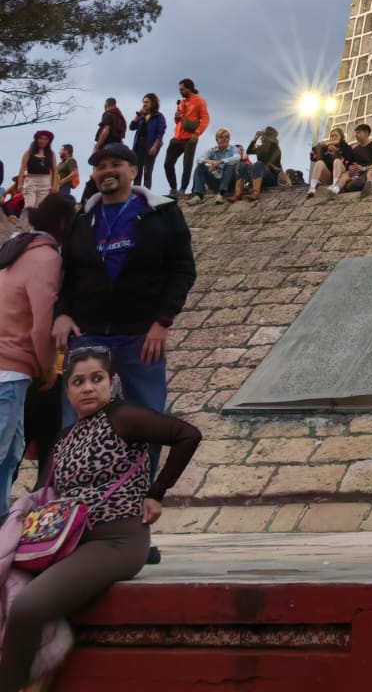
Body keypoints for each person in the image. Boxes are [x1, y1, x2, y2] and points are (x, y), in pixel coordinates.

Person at [0, 345, 202, 692]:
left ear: (113, 382)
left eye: (97, 379)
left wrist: (156, 492)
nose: (87, 388)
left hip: (116, 540)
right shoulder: (66, 438)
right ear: (68, 391)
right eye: (78, 382)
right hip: (68, 541)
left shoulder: (120, 417)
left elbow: (187, 435)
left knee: (28, 606)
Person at [52, 143, 197, 486]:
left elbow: (182, 270)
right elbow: (66, 276)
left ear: (133, 170)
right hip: (87, 339)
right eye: (100, 167)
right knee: (73, 427)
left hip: (141, 338)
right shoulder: (82, 220)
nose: (107, 171)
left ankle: (135, 517)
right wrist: (61, 314)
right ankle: (72, 517)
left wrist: (163, 322)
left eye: (116, 164)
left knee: (148, 424)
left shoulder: (162, 214)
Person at [0, 194, 75, 519]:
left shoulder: (15, 251)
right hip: (11, 366)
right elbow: (41, 324)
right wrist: (46, 369)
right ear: (64, 224)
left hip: (10, 366)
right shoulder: (46, 258)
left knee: (11, 453)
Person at [163, 79, 209, 197]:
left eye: (182, 89)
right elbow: (177, 120)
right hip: (177, 137)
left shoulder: (200, 101)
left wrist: (197, 133)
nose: (180, 91)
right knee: (168, 163)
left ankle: (182, 189)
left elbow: (205, 119)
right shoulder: (181, 102)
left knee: (186, 165)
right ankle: (173, 188)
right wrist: (176, 117)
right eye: (179, 89)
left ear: (189, 88)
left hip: (190, 138)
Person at [185, 128, 243, 204]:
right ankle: (198, 196)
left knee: (229, 165)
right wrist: (210, 162)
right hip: (216, 179)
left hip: (230, 180)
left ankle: (220, 194)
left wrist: (220, 162)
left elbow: (237, 158)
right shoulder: (213, 150)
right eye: (222, 137)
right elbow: (199, 159)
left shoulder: (233, 149)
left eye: (227, 137)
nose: (224, 139)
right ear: (217, 140)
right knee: (200, 166)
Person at [330, 124, 372, 195]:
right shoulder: (355, 150)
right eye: (355, 133)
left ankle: (369, 184)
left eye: (358, 132)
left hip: (370, 170)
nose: (356, 135)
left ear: (366, 133)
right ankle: (336, 190)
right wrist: (352, 168)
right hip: (358, 173)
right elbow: (350, 164)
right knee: (345, 175)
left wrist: (364, 168)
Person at [129, 94, 166, 189]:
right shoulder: (142, 117)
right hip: (138, 147)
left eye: (146, 102)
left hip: (150, 146)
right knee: (137, 171)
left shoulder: (159, 117)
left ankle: (146, 194)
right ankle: (136, 194)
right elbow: (132, 127)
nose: (144, 104)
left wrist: (155, 146)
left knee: (147, 171)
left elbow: (160, 133)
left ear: (153, 103)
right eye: (143, 102)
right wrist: (138, 114)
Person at [16, 132, 56, 214]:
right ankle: (23, 226)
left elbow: (55, 171)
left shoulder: (51, 154)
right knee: (29, 207)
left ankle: (35, 226)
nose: (42, 141)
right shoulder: (29, 153)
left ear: (49, 141)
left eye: (45, 139)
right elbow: (22, 169)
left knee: (40, 209)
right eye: (41, 138)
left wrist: (53, 186)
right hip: (31, 181)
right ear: (36, 139)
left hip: (45, 183)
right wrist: (20, 184)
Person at [306, 128, 352, 198]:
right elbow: (313, 157)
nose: (333, 137)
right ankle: (312, 188)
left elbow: (346, 162)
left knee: (337, 161)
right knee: (319, 163)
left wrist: (336, 153)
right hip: (328, 176)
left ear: (341, 137)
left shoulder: (346, 147)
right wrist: (319, 146)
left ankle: (335, 185)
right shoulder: (326, 147)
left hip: (340, 174)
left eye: (336, 136)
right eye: (332, 136)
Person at [244, 126, 285, 191]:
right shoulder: (261, 148)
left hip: (271, 177)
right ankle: (248, 186)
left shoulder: (274, 148)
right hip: (260, 176)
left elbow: (264, 160)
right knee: (246, 166)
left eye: (263, 138)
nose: (261, 139)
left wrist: (264, 135)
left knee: (258, 164)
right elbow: (248, 151)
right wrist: (254, 140)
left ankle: (253, 190)